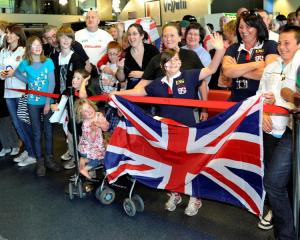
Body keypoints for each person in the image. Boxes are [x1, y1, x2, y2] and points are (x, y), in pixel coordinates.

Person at [113, 33, 225, 216]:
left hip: (188, 130)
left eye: (175, 60)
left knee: (191, 163)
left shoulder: (190, 76)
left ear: (180, 62)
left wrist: (220, 50)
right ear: (162, 66)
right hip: (168, 131)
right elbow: (136, 93)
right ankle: (175, 193)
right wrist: (117, 96)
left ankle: (195, 197)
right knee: (171, 162)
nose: (172, 64)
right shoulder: (157, 84)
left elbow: (212, 69)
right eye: (168, 62)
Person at [256, 25, 300, 240]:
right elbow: (259, 96)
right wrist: (263, 110)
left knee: (277, 184)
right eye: (280, 43)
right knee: (275, 184)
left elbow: (292, 98)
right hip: (271, 133)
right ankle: (284, 233)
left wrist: (283, 98)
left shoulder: (299, 66)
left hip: (291, 133)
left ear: (298, 45)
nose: (282, 48)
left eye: (287, 43)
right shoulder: (271, 66)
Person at [14, 36, 59, 176]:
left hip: (46, 102)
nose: (38, 47)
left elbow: (52, 84)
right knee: (36, 132)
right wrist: (28, 81)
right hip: (32, 102)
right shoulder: (26, 63)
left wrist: (47, 103)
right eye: (34, 45)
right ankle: (40, 162)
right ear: (29, 48)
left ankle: (49, 160)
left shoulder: (48, 62)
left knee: (49, 132)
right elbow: (16, 72)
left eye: (39, 44)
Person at [222, 10, 279, 102]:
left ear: (258, 28)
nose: (244, 31)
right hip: (236, 102)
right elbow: (227, 71)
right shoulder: (233, 48)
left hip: (261, 102)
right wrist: (257, 64)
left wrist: (236, 70)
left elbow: (267, 73)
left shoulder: (270, 45)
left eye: (248, 27)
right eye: (241, 27)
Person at [0, 24, 36, 165]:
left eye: (11, 33)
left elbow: (29, 75)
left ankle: (32, 154)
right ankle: (28, 150)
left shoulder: (24, 51)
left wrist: (15, 73)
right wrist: (3, 74)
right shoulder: (3, 51)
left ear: (18, 35)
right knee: (16, 124)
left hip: (22, 92)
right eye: (7, 33)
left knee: (24, 123)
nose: (8, 35)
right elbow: (1, 73)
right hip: (8, 93)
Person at [116, 23, 159, 90]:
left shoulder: (152, 50)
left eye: (134, 34)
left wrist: (143, 74)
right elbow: (121, 79)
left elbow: (161, 73)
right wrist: (120, 69)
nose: (131, 37)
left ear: (142, 36)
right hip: (133, 93)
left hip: (152, 91)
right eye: (129, 34)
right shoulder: (124, 53)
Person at [75, 99, 109, 179]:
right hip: (87, 148)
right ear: (82, 115)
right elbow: (91, 140)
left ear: (92, 106)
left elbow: (106, 128)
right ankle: (85, 169)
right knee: (99, 159)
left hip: (95, 146)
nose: (89, 111)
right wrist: (93, 131)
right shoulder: (86, 124)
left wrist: (101, 124)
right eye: (85, 111)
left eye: (89, 108)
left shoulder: (98, 115)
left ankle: (83, 160)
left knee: (104, 154)